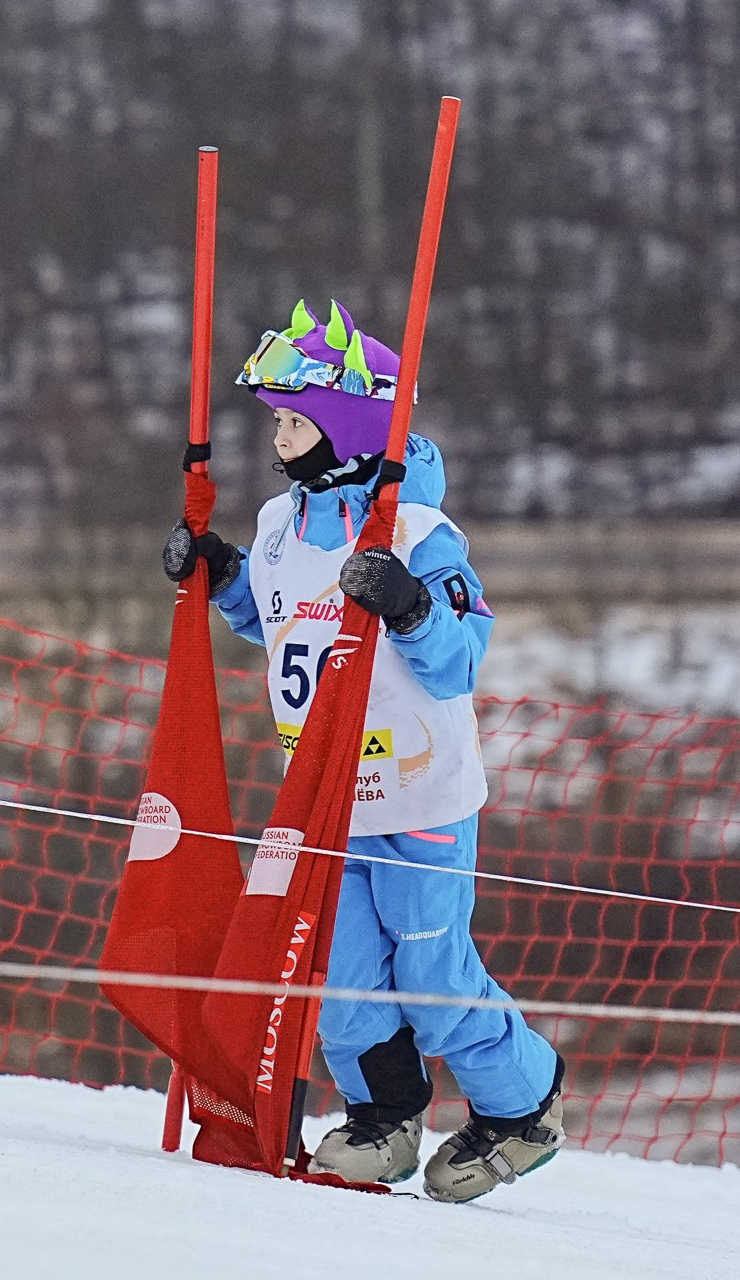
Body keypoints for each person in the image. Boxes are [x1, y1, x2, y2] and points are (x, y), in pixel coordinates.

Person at [164, 300, 565, 1201]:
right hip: (324, 799)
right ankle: (383, 1113)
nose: (279, 438)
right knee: (338, 975)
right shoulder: (278, 523)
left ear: (348, 429)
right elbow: (273, 622)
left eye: (297, 421)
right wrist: (221, 573)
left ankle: (521, 1104)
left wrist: (409, 606)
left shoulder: (416, 532)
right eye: (277, 419)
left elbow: (461, 657)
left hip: (418, 792)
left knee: (429, 974)